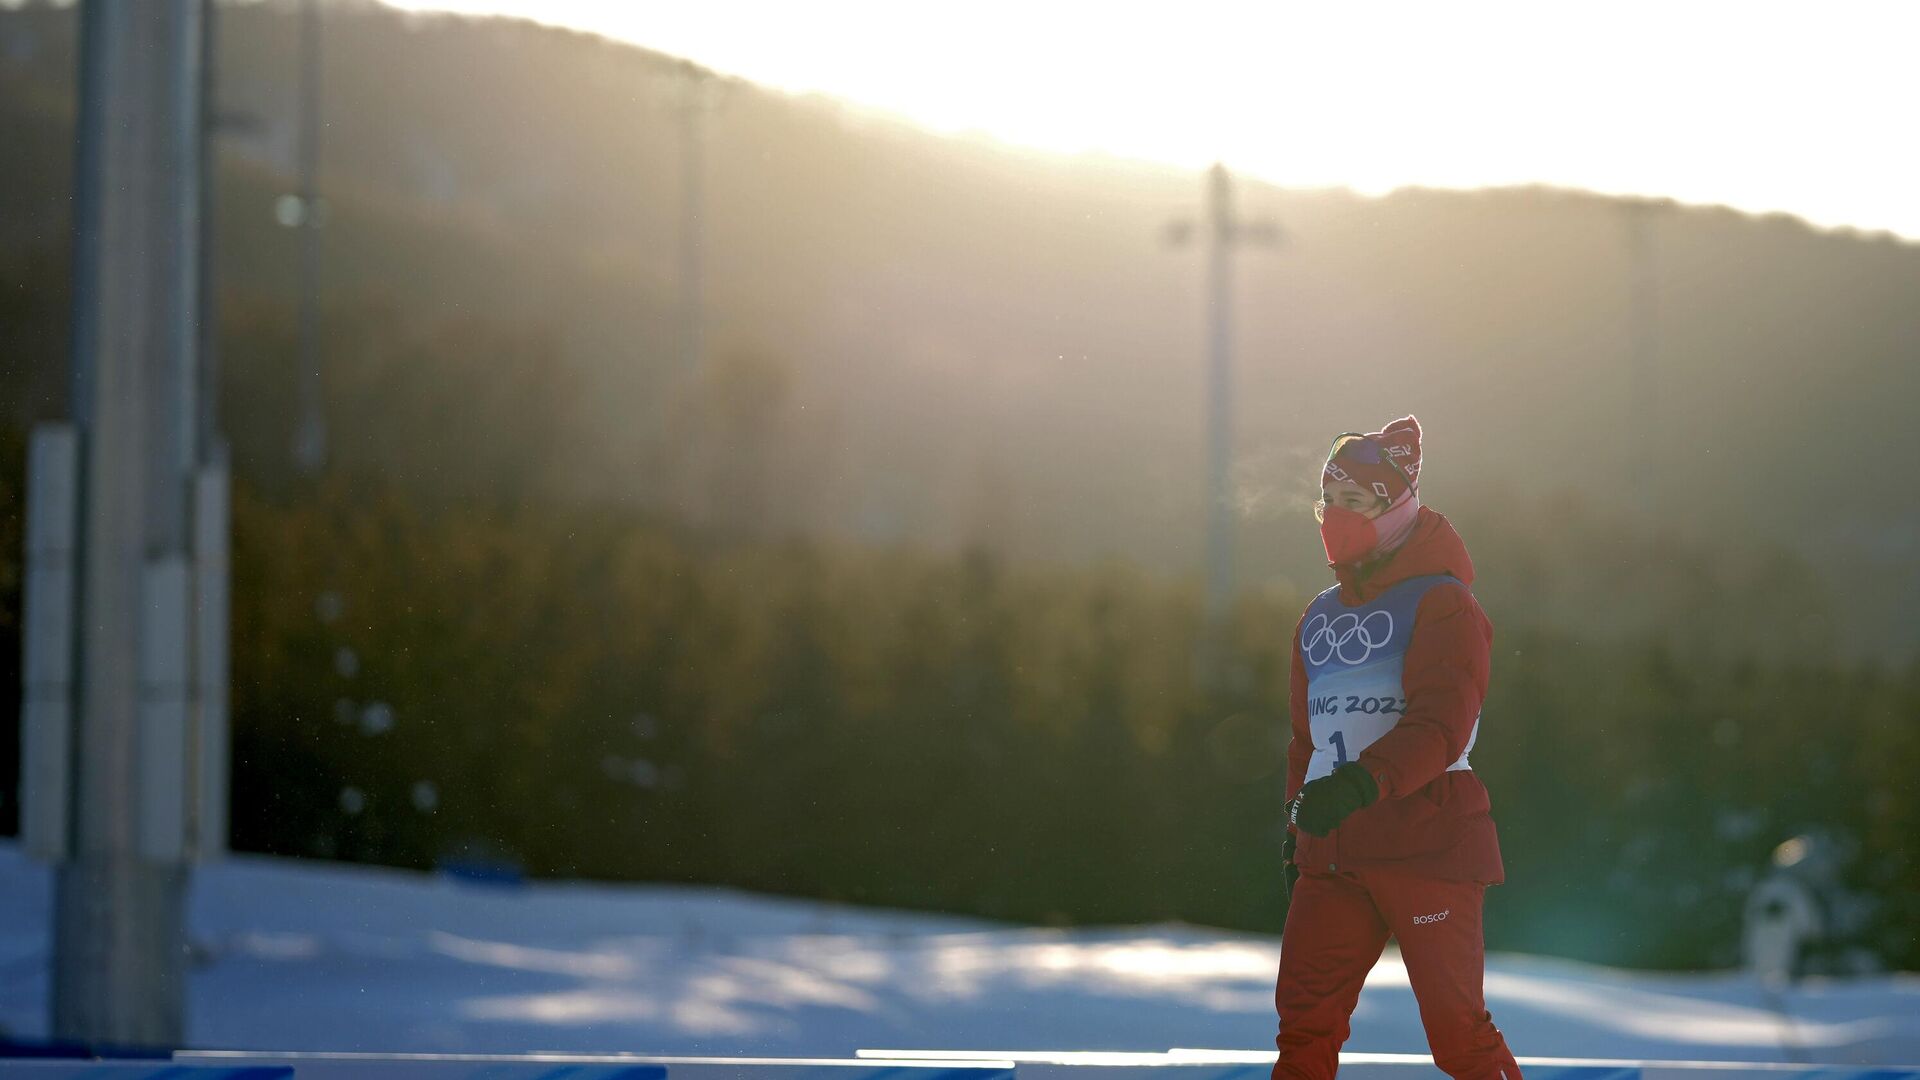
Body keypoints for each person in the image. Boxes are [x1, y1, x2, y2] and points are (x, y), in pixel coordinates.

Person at [1272, 416, 1521, 1080]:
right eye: (1328, 505)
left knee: (1459, 1037)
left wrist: (1360, 784)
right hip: (1336, 851)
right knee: (1302, 1033)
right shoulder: (1318, 617)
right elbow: (1308, 737)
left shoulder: (1444, 604)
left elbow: (1441, 725)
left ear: (1393, 505)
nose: (1335, 519)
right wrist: (1299, 828)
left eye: (1352, 503)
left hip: (1426, 843)